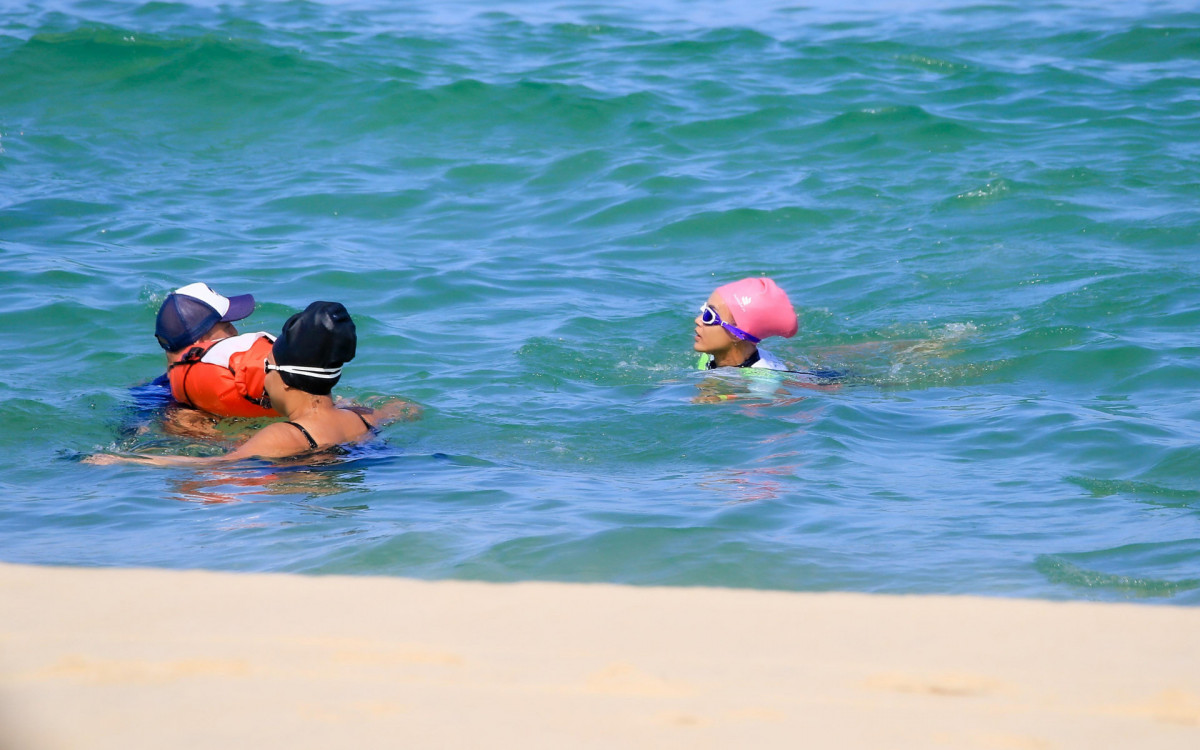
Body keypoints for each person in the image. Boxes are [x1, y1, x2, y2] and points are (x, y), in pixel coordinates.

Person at [91, 301, 416, 466]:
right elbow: (404, 409)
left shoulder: (283, 435)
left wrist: (127, 460)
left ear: (283, 379)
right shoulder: (362, 416)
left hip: (314, 495)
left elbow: (215, 465)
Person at [155, 282, 280, 419]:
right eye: (227, 327)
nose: (235, 332)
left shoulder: (156, 388)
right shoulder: (185, 414)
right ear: (200, 343)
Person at [694, 277, 799, 371]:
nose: (698, 320)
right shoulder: (709, 356)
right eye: (704, 309)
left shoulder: (761, 382)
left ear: (736, 333)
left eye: (709, 316)